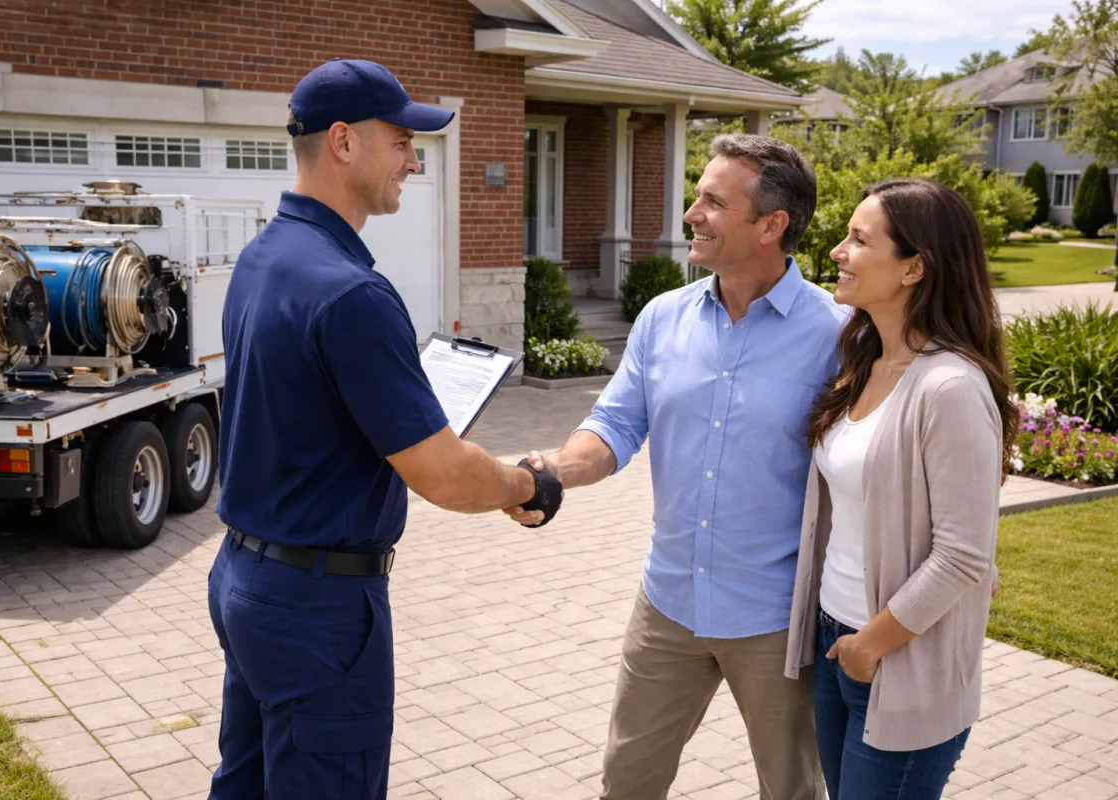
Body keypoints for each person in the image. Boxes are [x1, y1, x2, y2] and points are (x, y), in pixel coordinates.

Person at [206, 58, 562, 800]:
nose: (412, 158)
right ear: (343, 142)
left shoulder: (263, 259)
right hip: (318, 611)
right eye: (400, 140)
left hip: (247, 579)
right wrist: (526, 483)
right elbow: (443, 475)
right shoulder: (352, 294)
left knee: (245, 784)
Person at [506, 133, 848, 800]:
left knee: (794, 790)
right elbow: (613, 427)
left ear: (771, 225)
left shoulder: (836, 336)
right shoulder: (663, 319)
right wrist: (548, 469)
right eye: (697, 196)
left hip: (775, 619)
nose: (691, 214)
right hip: (668, 605)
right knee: (626, 780)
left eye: (714, 202)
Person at [783, 178, 1018, 799]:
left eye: (859, 240)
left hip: (893, 657)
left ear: (914, 267)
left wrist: (870, 646)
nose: (837, 250)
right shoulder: (862, 361)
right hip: (837, 639)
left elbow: (964, 553)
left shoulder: (950, 388)